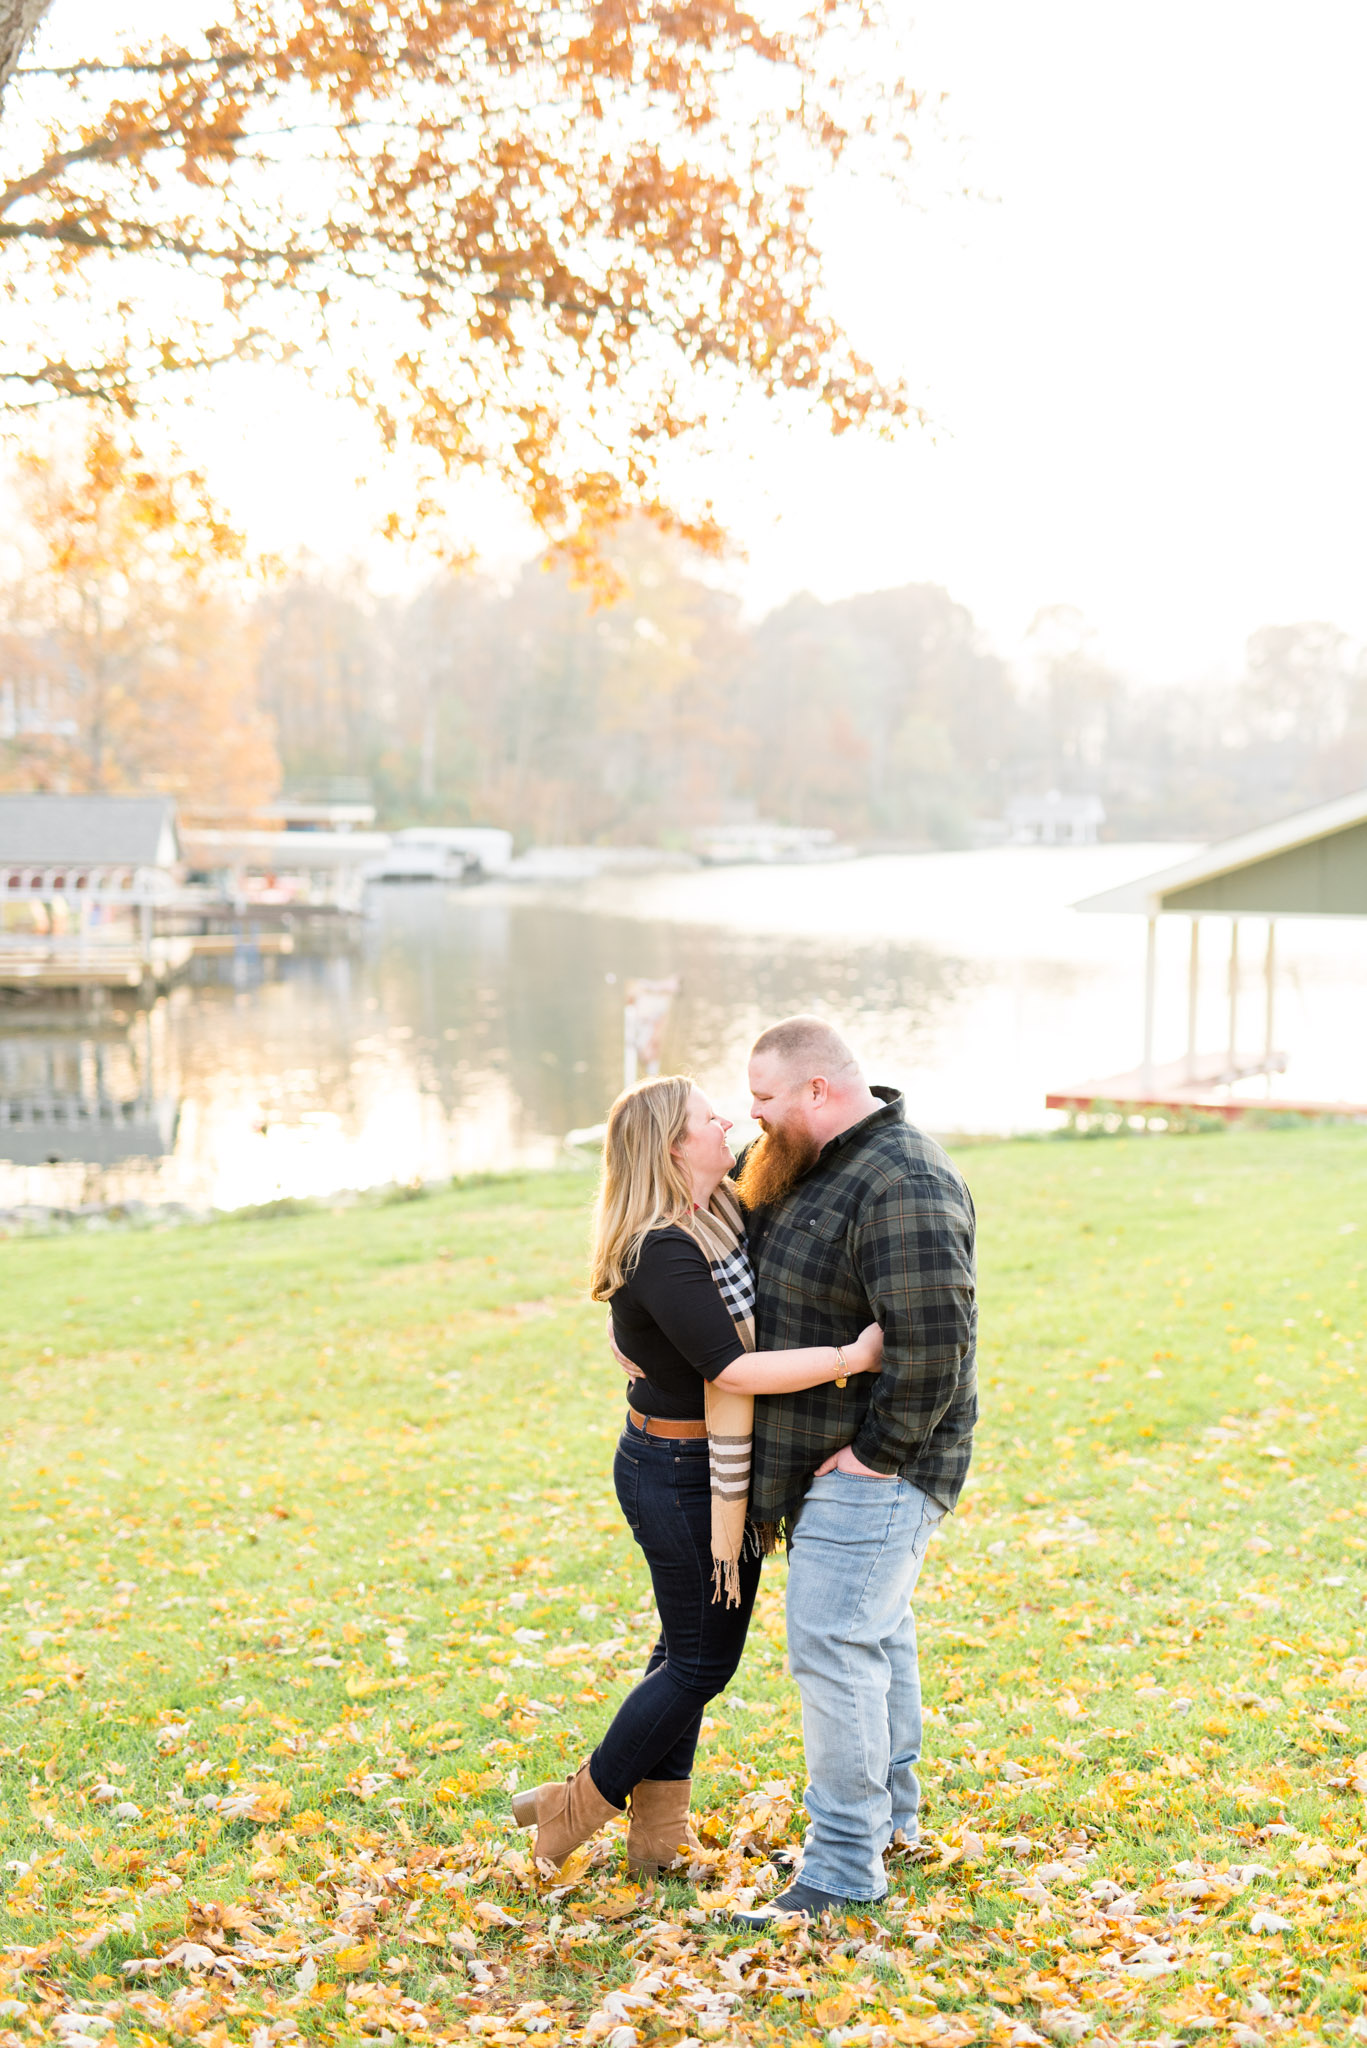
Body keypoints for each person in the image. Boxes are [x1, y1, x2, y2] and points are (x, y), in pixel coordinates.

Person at [510, 1072, 885, 1878]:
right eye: (707, 1120)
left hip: (698, 1463)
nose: (728, 1125)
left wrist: (853, 1095)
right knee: (700, 1664)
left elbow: (793, 1127)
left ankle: (654, 1841)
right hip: (677, 1469)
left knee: (682, 1652)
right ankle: (573, 1808)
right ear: (673, 1149)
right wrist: (850, 1359)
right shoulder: (664, 1247)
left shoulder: (713, 1209)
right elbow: (729, 1366)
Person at [714, 1015, 978, 1925]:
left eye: (761, 1098)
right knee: (873, 1636)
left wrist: (873, 1458)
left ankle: (839, 1871)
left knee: (832, 1646)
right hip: (833, 1460)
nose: (749, 1116)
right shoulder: (802, 1163)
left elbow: (936, 1344)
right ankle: (888, 1824)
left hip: (880, 1465)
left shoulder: (901, 1180)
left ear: (816, 1091)